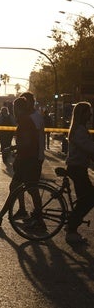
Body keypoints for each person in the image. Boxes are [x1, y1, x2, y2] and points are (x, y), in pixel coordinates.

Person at [0, 97, 40, 226]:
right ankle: (1, 215)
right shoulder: (26, 119)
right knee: (16, 188)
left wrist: (12, 148)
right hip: (26, 159)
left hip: (28, 160)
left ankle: (39, 219)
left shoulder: (26, 121)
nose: (13, 111)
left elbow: (27, 142)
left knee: (31, 189)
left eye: (14, 108)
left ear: (18, 108)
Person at [64, 102, 94, 244]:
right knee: (88, 199)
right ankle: (71, 229)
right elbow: (89, 148)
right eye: (88, 112)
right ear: (82, 114)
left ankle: (72, 224)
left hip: (78, 167)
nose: (91, 114)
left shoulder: (79, 128)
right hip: (77, 168)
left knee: (84, 198)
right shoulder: (79, 130)